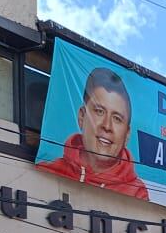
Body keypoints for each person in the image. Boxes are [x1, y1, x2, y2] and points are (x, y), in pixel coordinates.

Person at [37, 68, 149, 199]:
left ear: (127, 135)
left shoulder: (137, 194)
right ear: (82, 116)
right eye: (99, 111)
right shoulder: (48, 171)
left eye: (117, 118)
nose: (107, 126)